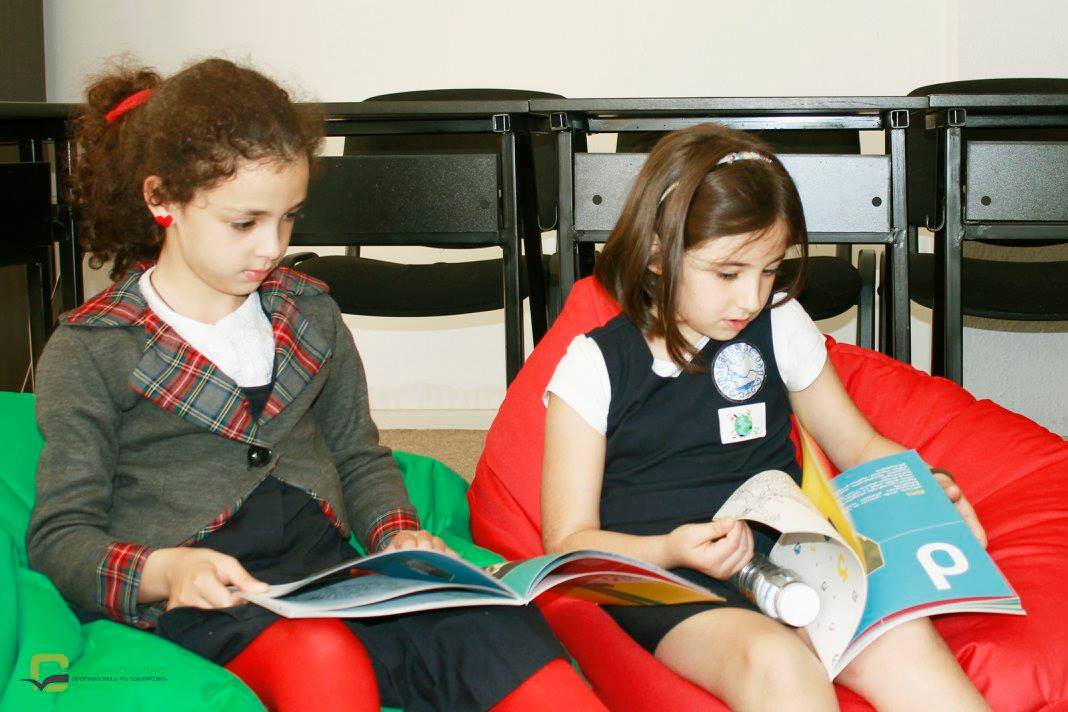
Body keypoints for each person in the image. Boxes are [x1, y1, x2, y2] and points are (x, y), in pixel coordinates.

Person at [27, 57, 607, 712]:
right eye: (244, 223)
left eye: (289, 217)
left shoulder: (310, 312)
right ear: (162, 200)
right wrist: (162, 572)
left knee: (494, 627)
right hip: (203, 599)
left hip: (329, 576)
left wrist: (396, 533)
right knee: (322, 657)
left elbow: (359, 457)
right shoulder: (95, 345)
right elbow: (60, 536)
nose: (271, 246)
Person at [541, 123, 990, 712]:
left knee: (902, 640)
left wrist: (924, 497)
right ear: (655, 255)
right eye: (728, 273)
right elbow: (567, 544)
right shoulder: (595, 366)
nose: (752, 298)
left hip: (793, 556)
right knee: (778, 664)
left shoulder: (779, 323)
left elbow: (859, 446)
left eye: (770, 269)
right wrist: (672, 549)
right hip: (667, 579)